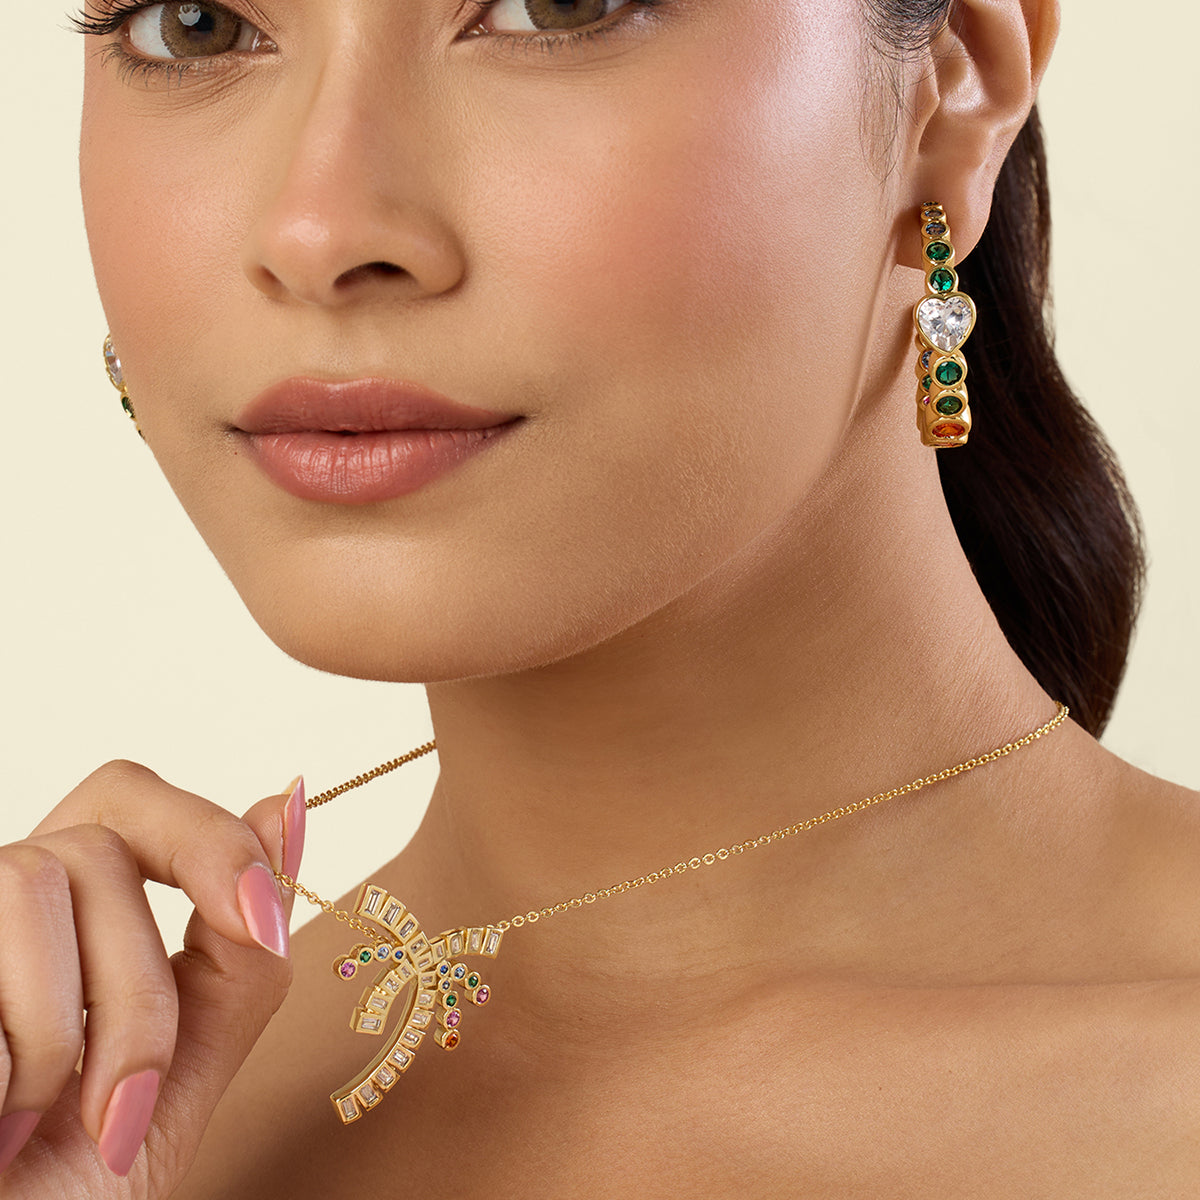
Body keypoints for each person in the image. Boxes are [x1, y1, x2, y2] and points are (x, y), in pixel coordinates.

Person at [2, 0, 1198, 1194]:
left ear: (956, 86)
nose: (318, 232)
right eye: (196, 26)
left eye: (555, 8)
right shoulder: (101, 1138)